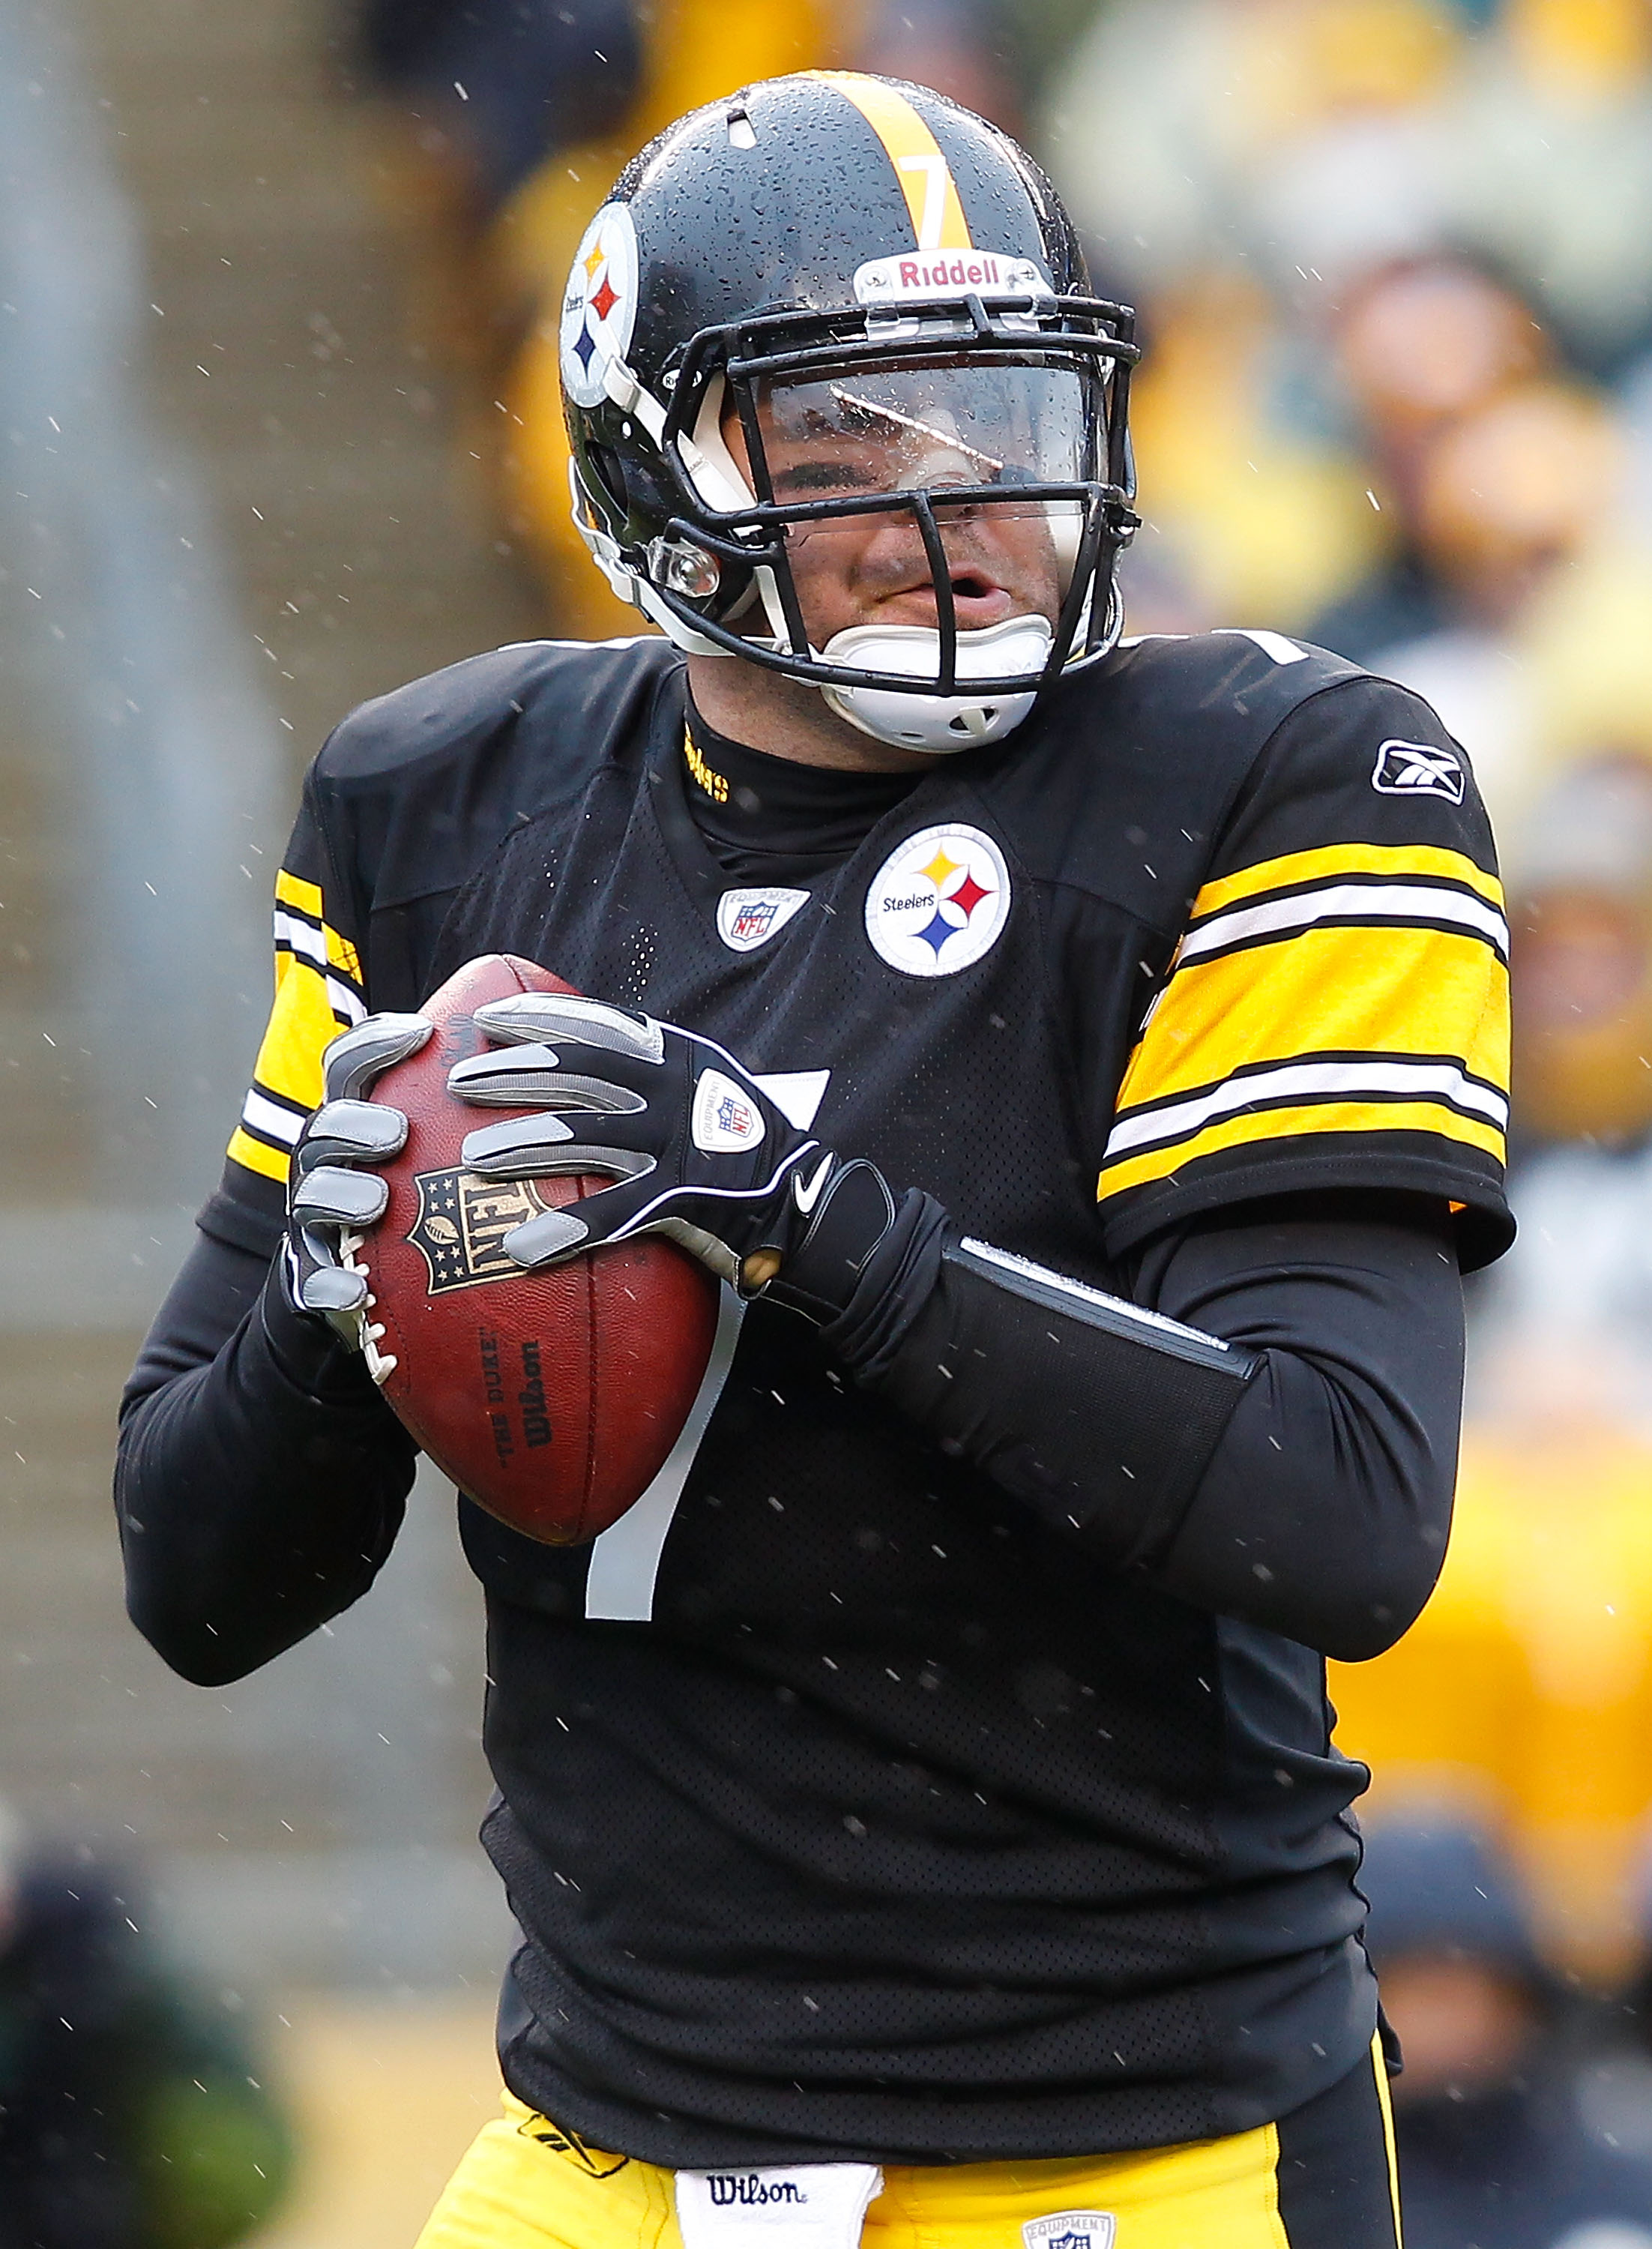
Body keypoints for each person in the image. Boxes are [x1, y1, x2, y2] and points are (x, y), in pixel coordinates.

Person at [116, 70, 1512, 2248]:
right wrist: (331, 1301)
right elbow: (197, 1584)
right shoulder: (440, 800)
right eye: (848, 438)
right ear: (643, 460)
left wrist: (792, 1213)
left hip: (1120, 2138)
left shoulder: (1275, 773)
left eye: (1001, 421)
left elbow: (1335, 1508)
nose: (951, 507)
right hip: (613, 2130)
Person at [1362, 1818, 1652, 2249]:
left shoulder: (1618, 2186)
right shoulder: (1307, 2196)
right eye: (1425, 1993)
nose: (1452, 2024)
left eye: (1478, 1990)